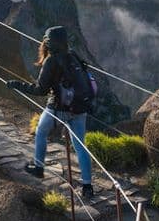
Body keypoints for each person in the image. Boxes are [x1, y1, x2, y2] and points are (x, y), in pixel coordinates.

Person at [6, 26, 95, 199]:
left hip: (58, 108)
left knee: (41, 132)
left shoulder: (51, 61)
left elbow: (40, 90)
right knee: (80, 146)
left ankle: (39, 168)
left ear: (48, 43)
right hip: (80, 108)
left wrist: (16, 84)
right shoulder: (74, 56)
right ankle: (87, 186)